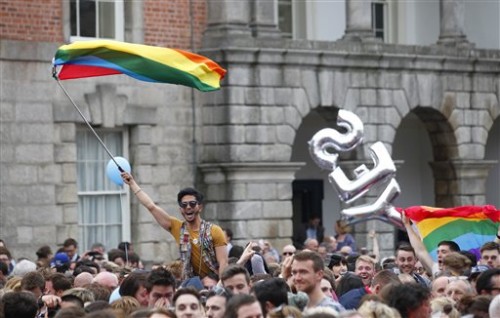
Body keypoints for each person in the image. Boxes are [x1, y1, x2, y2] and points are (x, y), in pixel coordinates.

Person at [121, 172, 228, 280]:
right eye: (184, 205)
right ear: (180, 209)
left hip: (213, 281)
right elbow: (151, 206)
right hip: (190, 282)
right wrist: (132, 184)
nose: (188, 207)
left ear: (200, 207)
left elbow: (223, 262)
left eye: (192, 204)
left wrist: (219, 286)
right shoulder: (178, 227)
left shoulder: (214, 230)